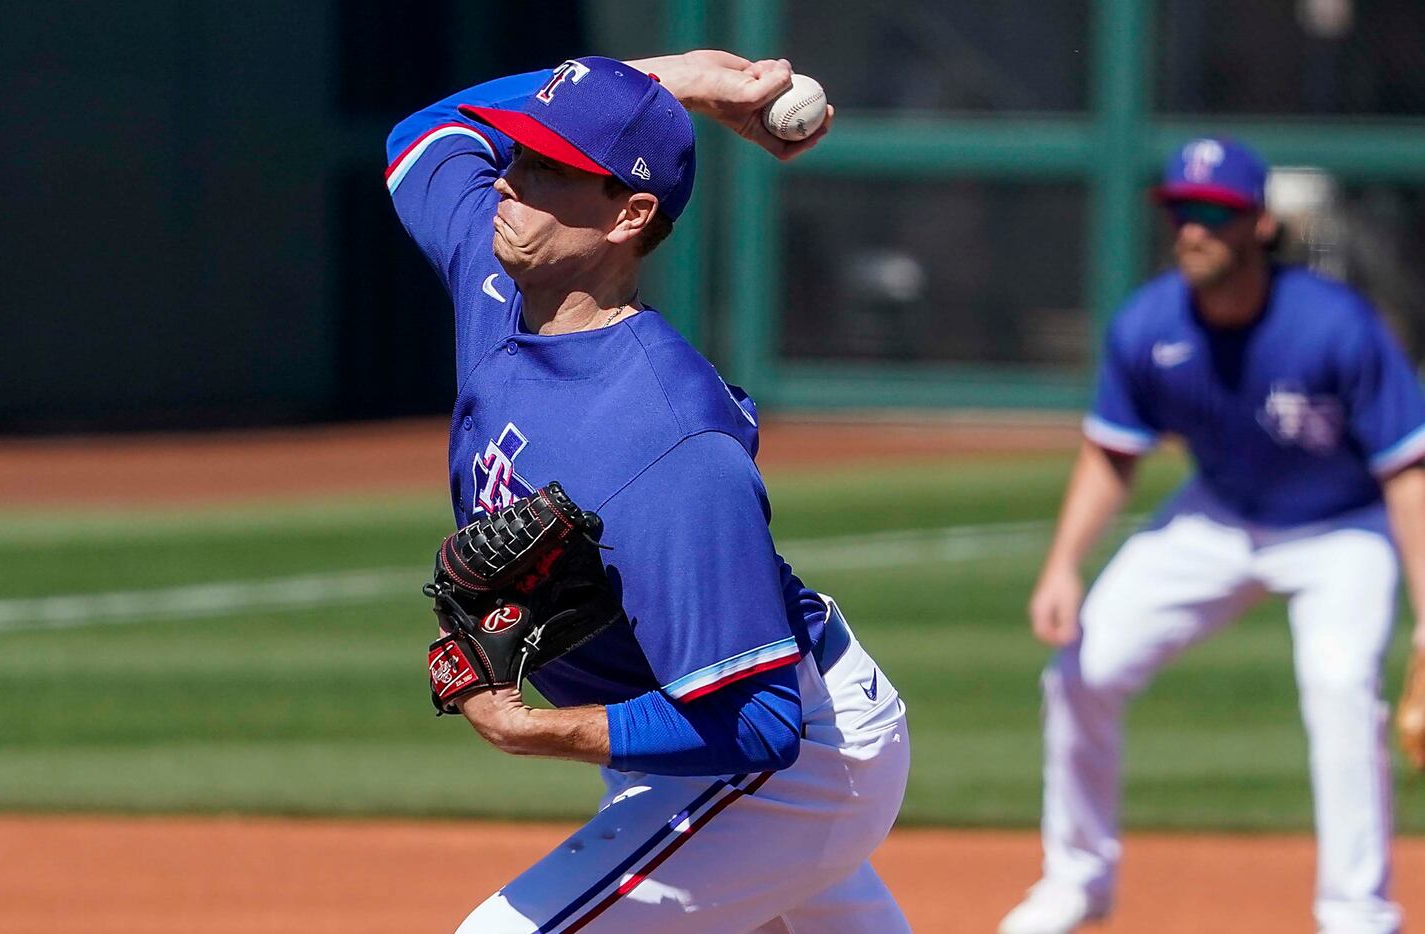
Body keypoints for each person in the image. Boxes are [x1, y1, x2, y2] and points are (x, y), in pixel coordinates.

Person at [386, 50, 913, 932]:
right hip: (678, 737)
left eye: (550, 167)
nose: (510, 181)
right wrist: (674, 86)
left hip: (788, 766)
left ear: (630, 215)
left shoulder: (668, 441)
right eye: (516, 155)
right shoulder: (492, 266)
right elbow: (427, 135)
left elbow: (756, 721)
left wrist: (534, 731)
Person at [998, 137, 1425, 934]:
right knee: (1080, 672)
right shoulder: (1149, 323)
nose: (1190, 229)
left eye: (1213, 214)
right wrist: (1062, 566)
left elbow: (1406, 473)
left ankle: (1357, 911)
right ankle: (1078, 878)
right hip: (1217, 517)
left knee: (1339, 686)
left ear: (1259, 225)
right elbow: (1110, 455)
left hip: (1341, 528)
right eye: (1179, 211)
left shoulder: (1336, 327)